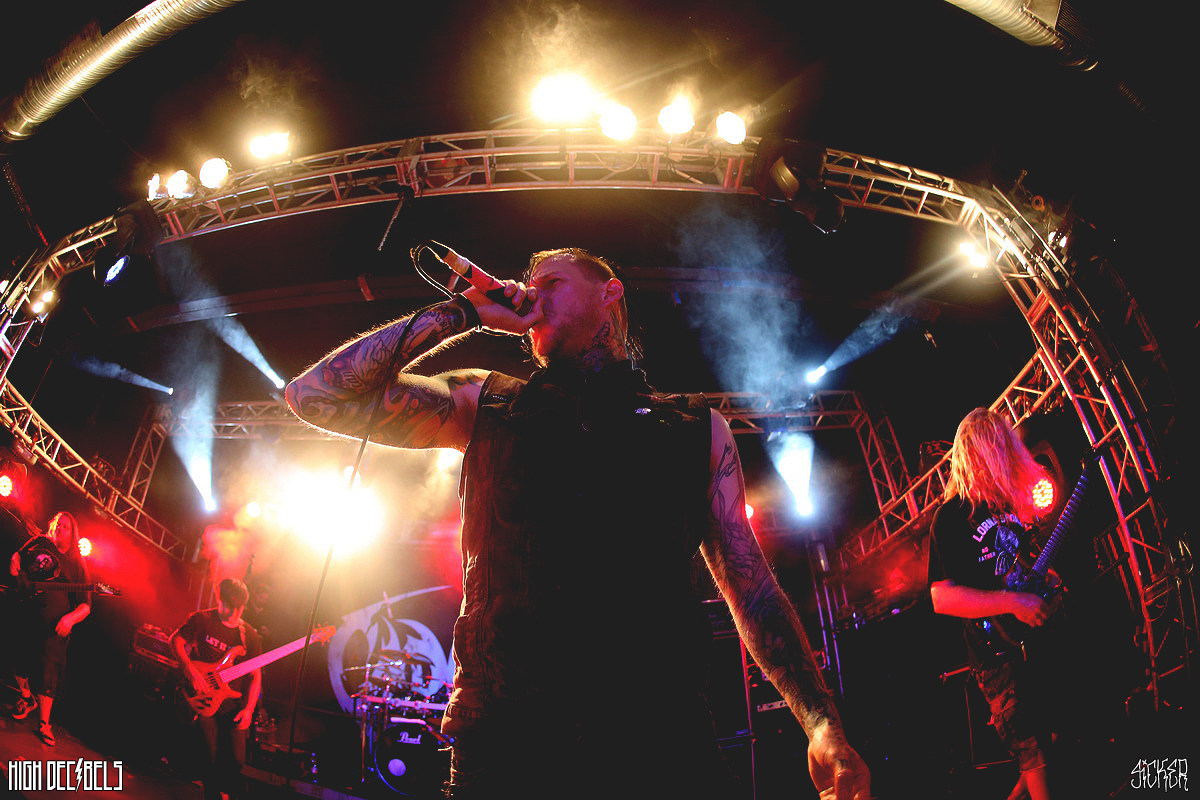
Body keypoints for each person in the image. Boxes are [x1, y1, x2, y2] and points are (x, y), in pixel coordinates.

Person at [286, 247, 870, 799]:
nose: (530, 296)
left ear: (608, 294)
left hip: (664, 742)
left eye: (551, 283)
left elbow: (752, 586)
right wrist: (463, 312)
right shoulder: (488, 404)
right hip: (509, 744)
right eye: (528, 286)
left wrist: (821, 723)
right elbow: (315, 394)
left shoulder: (695, 429)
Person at [928, 408, 1060, 800]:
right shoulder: (951, 517)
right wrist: (1013, 601)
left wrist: (1044, 581)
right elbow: (941, 597)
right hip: (995, 653)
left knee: (1047, 741)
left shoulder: (1011, 505)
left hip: (1037, 639)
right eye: (996, 447)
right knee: (1032, 749)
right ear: (976, 453)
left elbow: (1021, 562)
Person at [171, 577, 263, 800]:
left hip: (232, 704)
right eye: (228, 606)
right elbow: (175, 640)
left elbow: (255, 676)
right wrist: (191, 671)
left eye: (238, 608)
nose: (232, 613)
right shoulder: (202, 619)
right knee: (209, 756)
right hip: (203, 698)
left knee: (236, 761)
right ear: (218, 599)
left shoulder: (249, 636)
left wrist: (249, 709)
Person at [8, 510, 91, 746]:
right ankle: (27, 698)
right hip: (26, 613)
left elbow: (85, 605)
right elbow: (18, 555)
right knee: (18, 659)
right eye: (58, 524)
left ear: (73, 533)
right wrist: (14, 559)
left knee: (48, 673)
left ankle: (44, 723)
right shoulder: (40, 543)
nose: (61, 528)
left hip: (55, 626)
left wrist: (70, 619)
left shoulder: (77, 563)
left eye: (66, 526)